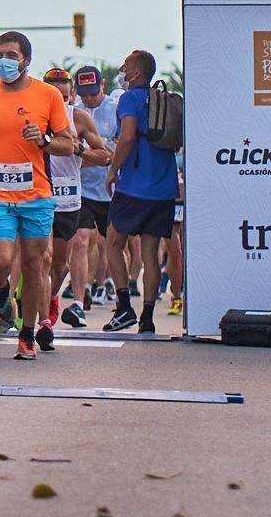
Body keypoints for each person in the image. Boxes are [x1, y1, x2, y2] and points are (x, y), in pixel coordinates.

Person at [0, 31, 76, 359]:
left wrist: (45, 141)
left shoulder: (48, 95)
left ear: (26, 60)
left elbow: (69, 143)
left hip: (37, 196)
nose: (2, 60)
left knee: (35, 267)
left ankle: (27, 334)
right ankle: (3, 298)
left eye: (10, 54)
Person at [103, 49, 175, 333]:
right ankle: (147, 317)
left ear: (136, 73)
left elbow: (128, 136)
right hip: (163, 185)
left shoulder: (129, 98)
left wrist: (113, 170)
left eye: (126, 64)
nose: (122, 68)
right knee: (150, 252)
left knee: (112, 243)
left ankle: (123, 308)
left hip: (134, 185)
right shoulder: (162, 99)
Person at [43, 67, 110, 334]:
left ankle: (53, 297)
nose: (62, 102)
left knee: (60, 262)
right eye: (55, 98)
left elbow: (104, 156)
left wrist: (79, 148)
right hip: (38, 195)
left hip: (71, 196)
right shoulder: (35, 116)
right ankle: (37, 310)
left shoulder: (79, 118)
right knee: (41, 257)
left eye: (65, 97)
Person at [72, 64, 121, 311]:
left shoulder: (115, 109)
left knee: (110, 244)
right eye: (84, 93)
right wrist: (98, 153)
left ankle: (117, 294)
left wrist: (92, 154)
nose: (89, 98)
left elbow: (116, 152)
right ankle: (79, 302)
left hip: (111, 188)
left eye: (93, 92)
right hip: (82, 189)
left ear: (103, 85)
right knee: (80, 240)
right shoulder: (75, 113)